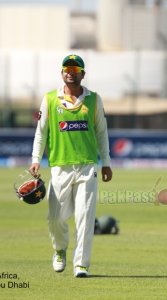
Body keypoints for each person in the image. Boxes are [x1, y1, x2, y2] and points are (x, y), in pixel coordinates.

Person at [29, 54, 112, 277]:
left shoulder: (94, 99)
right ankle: (59, 249)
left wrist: (106, 163)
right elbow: (41, 133)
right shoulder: (49, 100)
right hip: (59, 167)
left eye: (75, 70)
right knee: (55, 218)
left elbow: (102, 133)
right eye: (66, 68)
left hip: (87, 167)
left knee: (85, 217)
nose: (70, 72)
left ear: (82, 75)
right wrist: (36, 159)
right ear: (61, 72)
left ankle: (81, 264)